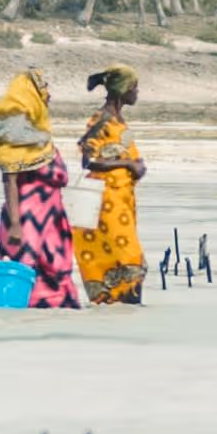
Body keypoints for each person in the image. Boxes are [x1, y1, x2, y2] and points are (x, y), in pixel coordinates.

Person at [0, 71, 82, 308]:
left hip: (51, 219)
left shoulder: (38, 133)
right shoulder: (15, 132)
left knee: (56, 272)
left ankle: (50, 322)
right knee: (23, 271)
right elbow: (10, 179)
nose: (49, 95)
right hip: (27, 219)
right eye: (44, 88)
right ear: (31, 93)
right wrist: (16, 224)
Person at [77, 66, 145, 304]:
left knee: (126, 260)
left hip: (122, 204)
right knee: (129, 258)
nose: (137, 92)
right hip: (106, 206)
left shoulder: (118, 120)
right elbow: (89, 161)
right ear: (123, 90)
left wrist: (136, 165)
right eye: (134, 87)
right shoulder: (101, 120)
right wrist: (128, 164)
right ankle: (121, 305)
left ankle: (122, 312)